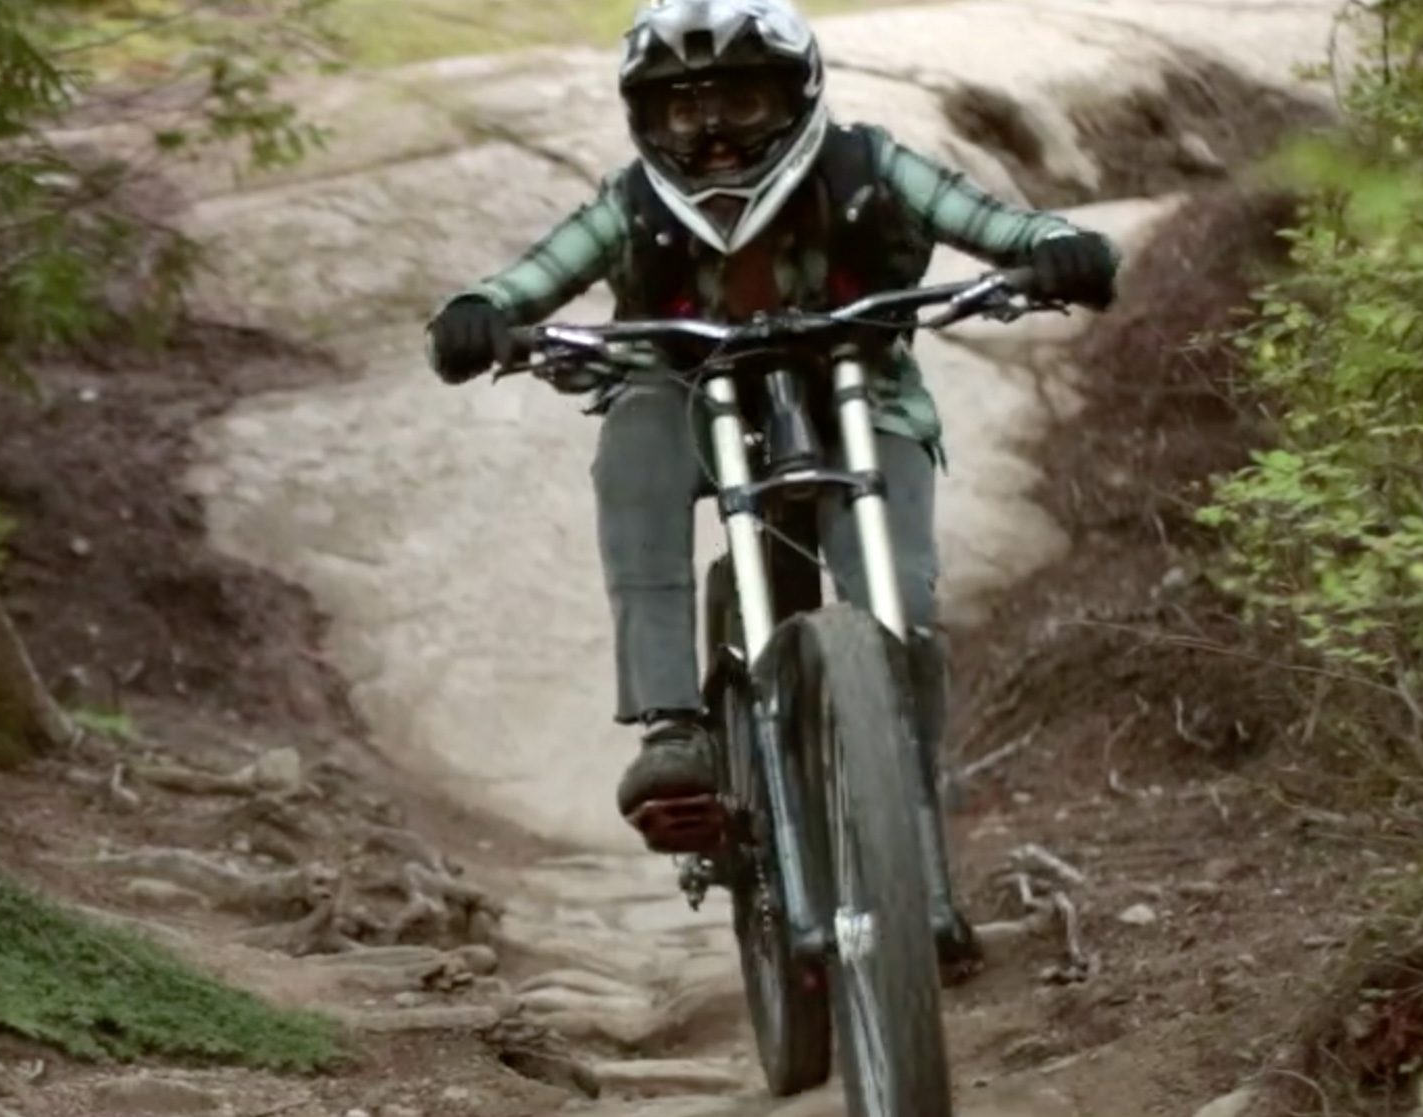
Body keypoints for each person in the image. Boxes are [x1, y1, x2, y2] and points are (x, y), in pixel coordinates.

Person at [422, 0, 1118, 964]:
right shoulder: (633, 203)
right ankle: (672, 722)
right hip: (689, 393)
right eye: (682, 111)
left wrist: (1057, 249)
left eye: (740, 102)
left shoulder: (870, 168)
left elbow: (994, 221)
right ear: (644, 120)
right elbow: (527, 279)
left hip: (859, 395)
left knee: (903, 612)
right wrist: (475, 312)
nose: (710, 134)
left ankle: (920, 868)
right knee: (635, 426)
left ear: (795, 95)